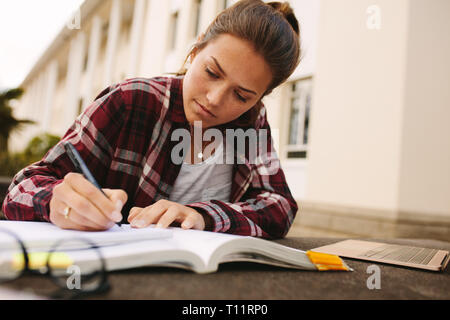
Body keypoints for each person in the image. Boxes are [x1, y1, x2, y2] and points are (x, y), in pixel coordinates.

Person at [2, 0, 301, 239]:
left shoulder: (252, 121)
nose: (214, 99)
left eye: (242, 95)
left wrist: (203, 215)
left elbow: (280, 205)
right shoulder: (132, 100)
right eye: (212, 72)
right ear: (195, 50)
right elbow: (21, 188)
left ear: (260, 97)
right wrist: (57, 200)